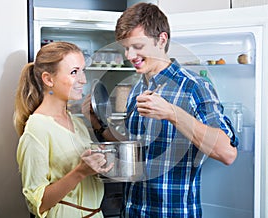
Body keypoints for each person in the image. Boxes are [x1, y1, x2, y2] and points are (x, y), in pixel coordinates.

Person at [83, 3, 239, 217]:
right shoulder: (138, 88)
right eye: (125, 47)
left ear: (161, 40)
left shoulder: (194, 87)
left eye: (137, 46)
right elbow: (137, 152)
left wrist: (172, 113)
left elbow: (227, 153)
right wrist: (98, 125)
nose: (129, 55)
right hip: (133, 210)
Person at [13, 41, 113, 218]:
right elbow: (38, 204)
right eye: (74, 72)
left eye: (83, 71)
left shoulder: (77, 122)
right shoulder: (37, 128)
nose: (83, 80)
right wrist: (80, 172)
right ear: (48, 79)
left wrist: (98, 157)